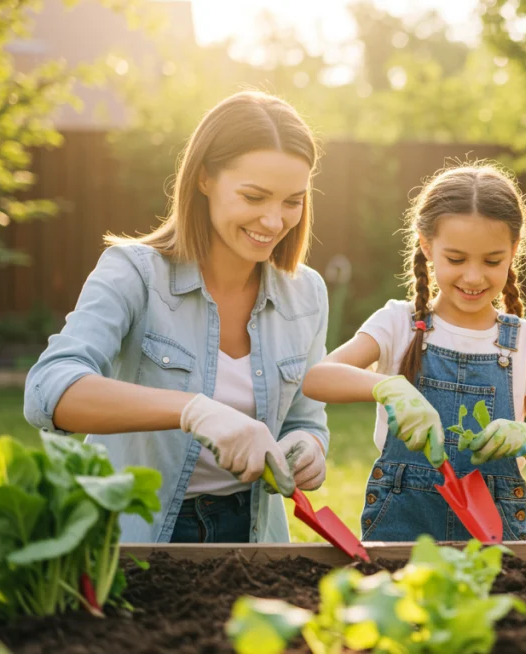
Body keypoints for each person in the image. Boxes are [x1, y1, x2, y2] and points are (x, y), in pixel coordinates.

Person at [24, 91, 330, 543]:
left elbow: (306, 419)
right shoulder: (135, 272)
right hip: (136, 535)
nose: (273, 220)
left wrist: (310, 449)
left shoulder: (306, 293)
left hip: (253, 540)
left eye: (292, 201)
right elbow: (48, 391)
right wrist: (193, 411)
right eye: (254, 196)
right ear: (204, 177)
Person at [302, 164, 526, 542]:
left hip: (491, 535)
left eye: (492, 261)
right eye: (456, 259)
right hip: (400, 531)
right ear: (427, 247)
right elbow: (318, 379)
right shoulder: (398, 323)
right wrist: (387, 387)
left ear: (514, 250)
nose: (473, 277)